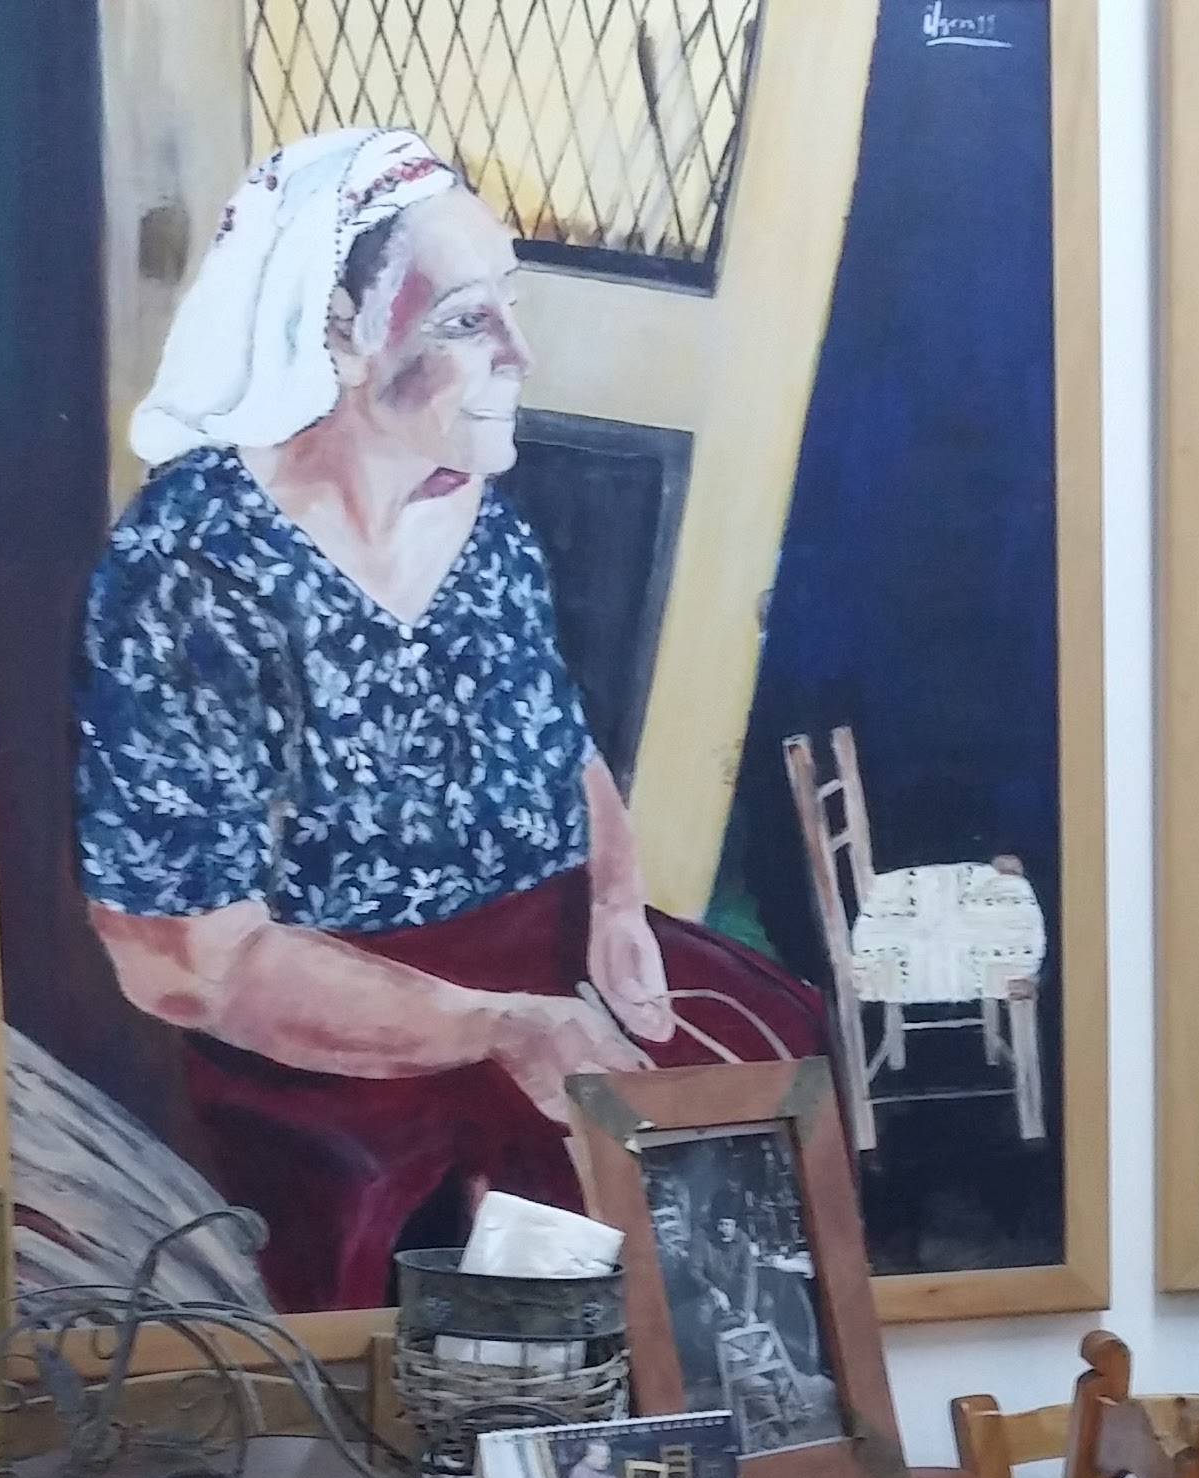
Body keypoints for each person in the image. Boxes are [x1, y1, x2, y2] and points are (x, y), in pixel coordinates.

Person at [75, 128, 824, 1309]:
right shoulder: (190, 568)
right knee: (539, 1232)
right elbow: (182, 961)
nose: (520, 353)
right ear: (338, 333)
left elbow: (560, 747)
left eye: (508, 307)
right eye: (468, 321)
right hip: (340, 1033)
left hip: (542, 967)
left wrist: (617, 905)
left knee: (775, 1050)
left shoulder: (481, 524)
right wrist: (494, 1028)